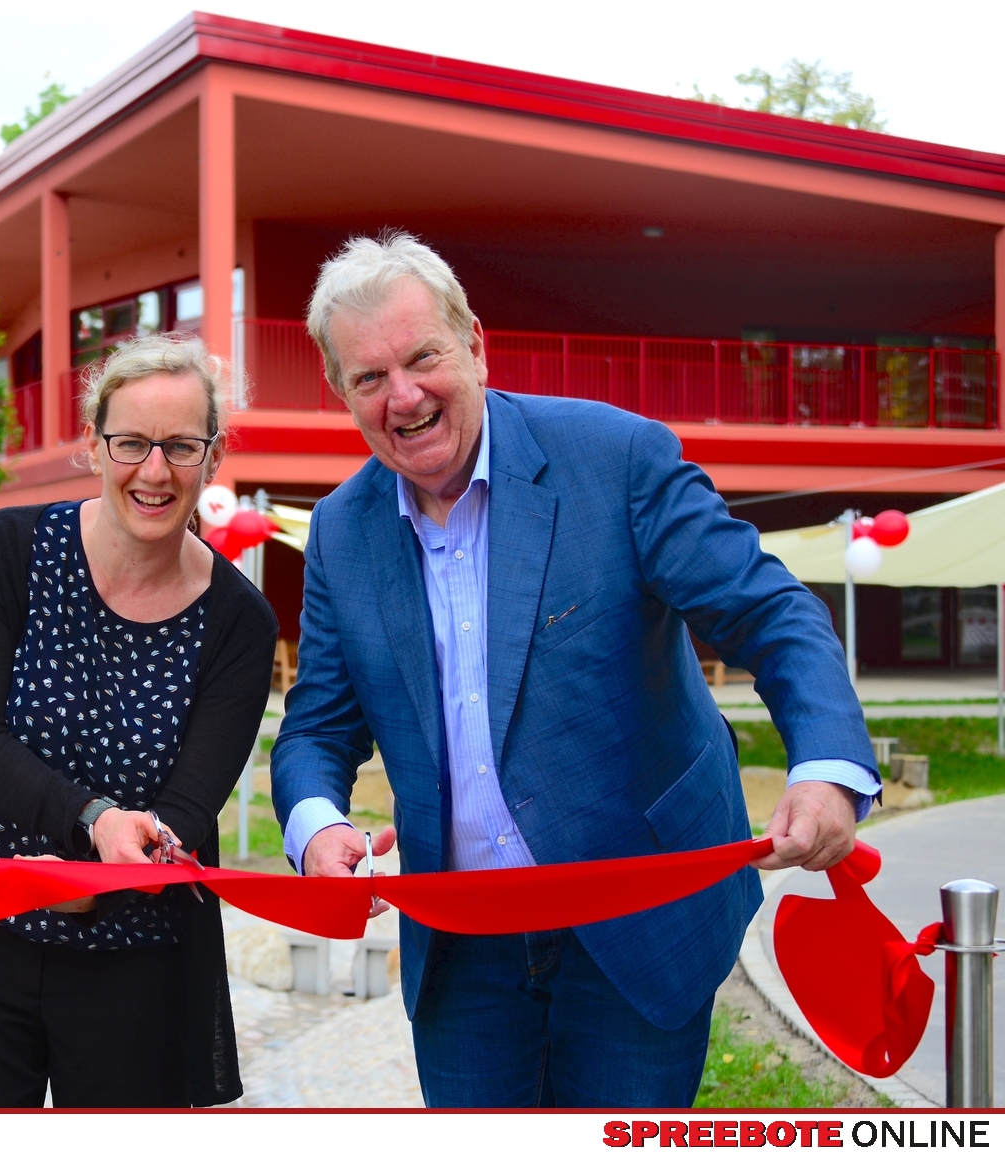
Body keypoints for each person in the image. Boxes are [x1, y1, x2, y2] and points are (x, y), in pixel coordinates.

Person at [270, 233, 881, 1108]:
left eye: (423, 358)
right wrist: (317, 825)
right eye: (370, 377)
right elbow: (317, 726)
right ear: (341, 391)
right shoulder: (341, 530)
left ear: (474, 345)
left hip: (639, 919)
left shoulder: (615, 459)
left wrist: (825, 767)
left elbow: (770, 613)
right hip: (464, 947)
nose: (403, 396)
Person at [0, 335, 278, 1108]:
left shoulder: (239, 621)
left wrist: (103, 880)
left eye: (180, 446)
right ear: (93, 444)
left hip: (135, 961)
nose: (154, 470)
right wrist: (94, 822)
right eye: (130, 443)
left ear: (214, 457)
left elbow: (190, 808)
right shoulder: (9, 549)